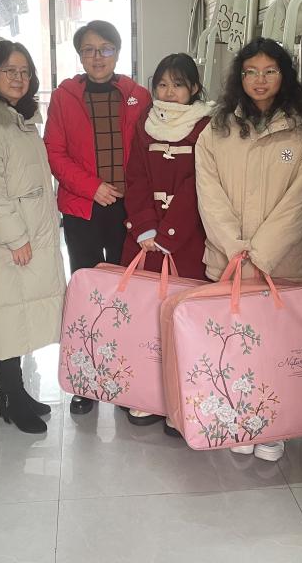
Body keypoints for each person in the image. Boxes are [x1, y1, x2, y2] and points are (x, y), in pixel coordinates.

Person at [195, 37, 302, 462]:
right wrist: (234, 248)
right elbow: (209, 194)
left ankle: (272, 426)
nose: (259, 80)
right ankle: (237, 419)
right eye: (250, 72)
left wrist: (259, 254)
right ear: (239, 77)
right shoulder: (216, 129)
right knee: (231, 348)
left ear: (284, 75)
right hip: (226, 262)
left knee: (275, 350)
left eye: (270, 71)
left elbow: (298, 202)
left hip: (280, 264)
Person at [43, 20, 151, 415]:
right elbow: (54, 151)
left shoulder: (138, 96)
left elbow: (149, 148)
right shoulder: (64, 96)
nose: (97, 57)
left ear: (117, 52)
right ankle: (86, 381)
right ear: (80, 55)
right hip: (83, 209)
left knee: (127, 293)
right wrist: (93, 188)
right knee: (88, 294)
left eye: (105, 49)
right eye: (88, 49)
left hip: (128, 210)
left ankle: (124, 377)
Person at [0, 41, 65, 435]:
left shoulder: (17, 117)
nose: (19, 78)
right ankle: (11, 396)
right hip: (8, 240)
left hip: (29, 231)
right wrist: (15, 235)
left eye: (24, 72)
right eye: (9, 71)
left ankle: (15, 393)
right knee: (6, 319)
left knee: (19, 316)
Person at [119, 52, 212, 428]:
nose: (169, 92)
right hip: (145, 240)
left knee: (183, 320)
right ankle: (149, 394)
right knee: (145, 319)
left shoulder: (207, 126)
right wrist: (145, 228)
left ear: (194, 88)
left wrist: (170, 232)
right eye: (162, 84)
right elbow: (136, 177)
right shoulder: (146, 123)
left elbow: (199, 184)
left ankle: (181, 402)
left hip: (187, 240)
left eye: (178, 84)